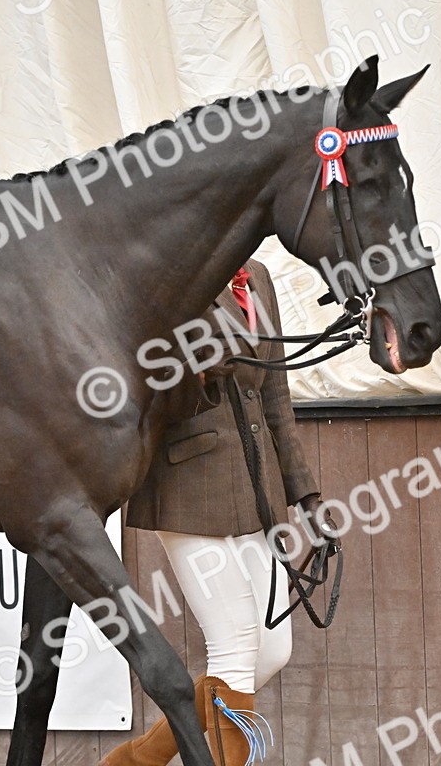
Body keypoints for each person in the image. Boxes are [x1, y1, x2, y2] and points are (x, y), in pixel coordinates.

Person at [102, 258, 322, 766]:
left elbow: (275, 393)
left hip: (255, 488)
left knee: (272, 650)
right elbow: (130, 379)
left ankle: (135, 761)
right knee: (236, 643)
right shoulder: (167, 272)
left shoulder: (258, 276)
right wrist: (195, 373)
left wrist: (303, 490)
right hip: (186, 483)